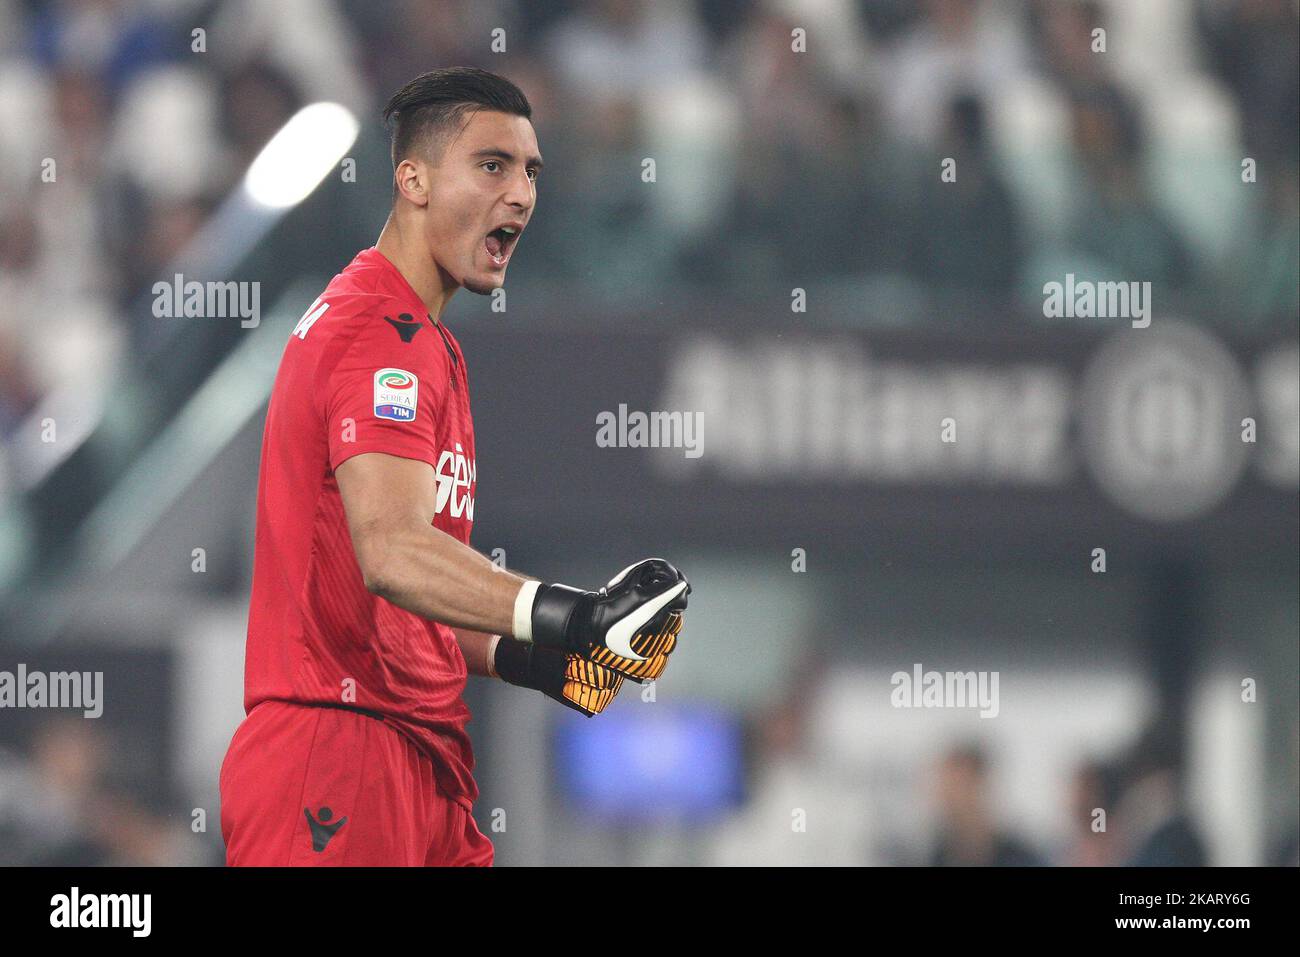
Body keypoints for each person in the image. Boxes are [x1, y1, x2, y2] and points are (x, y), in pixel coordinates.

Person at [219, 67, 690, 867]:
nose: (520, 194)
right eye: (492, 164)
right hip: (336, 751)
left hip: (416, 757)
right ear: (414, 179)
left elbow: (404, 600)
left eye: (532, 171)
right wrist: (573, 616)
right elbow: (393, 553)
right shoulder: (377, 332)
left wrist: (542, 661)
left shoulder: (422, 340)